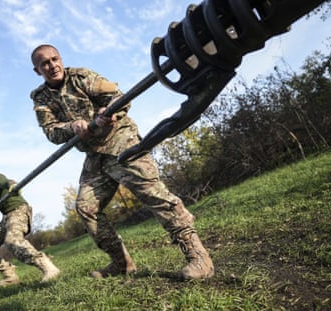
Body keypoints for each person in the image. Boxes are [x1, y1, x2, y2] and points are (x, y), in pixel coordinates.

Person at [29, 44, 214, 280]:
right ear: (37, 70)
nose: (52, 65)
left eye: (55, 59)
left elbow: (119, 97)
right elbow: (52, 133)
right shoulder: (41, 99)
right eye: (45, 63)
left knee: (154, 194)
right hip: (95, 155)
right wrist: (71, 127)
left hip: (121, 141)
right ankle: (122, 263)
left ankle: (199, 258)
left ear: (61, 59)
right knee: (87, 208)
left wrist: (110, 112)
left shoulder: (82, 77)